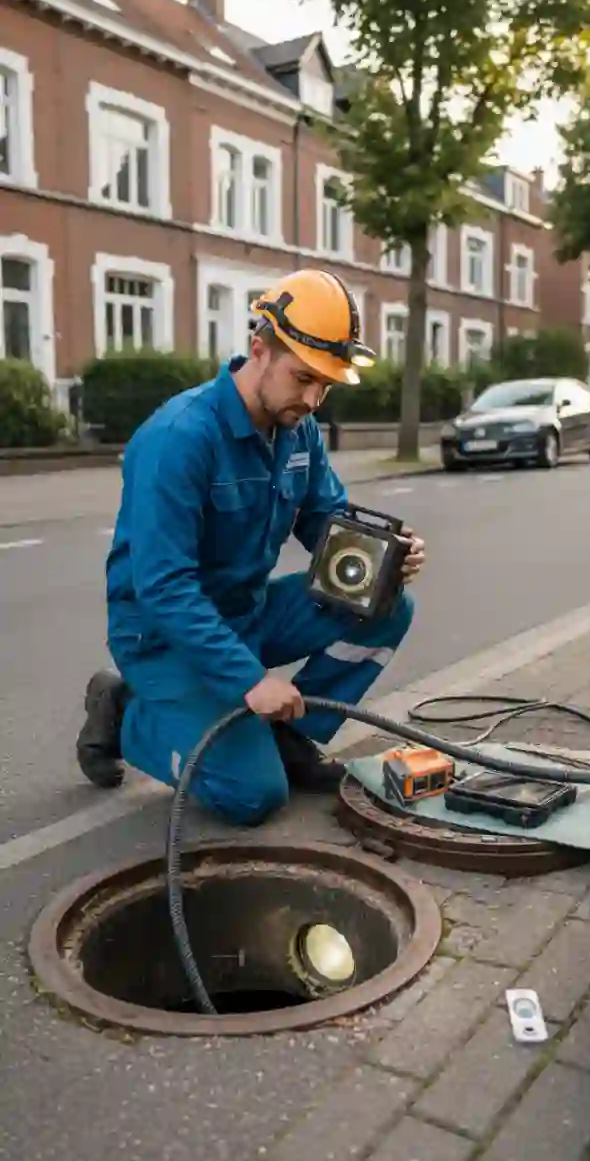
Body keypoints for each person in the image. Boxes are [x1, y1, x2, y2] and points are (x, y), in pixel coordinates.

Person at [76, 269, 425, 826]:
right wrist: (249, 681)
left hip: (246, 614)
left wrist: (381, 559)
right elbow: (164, 589)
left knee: (387, 606)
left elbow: (322, 521)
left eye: (326, 386)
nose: (314, 400)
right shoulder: (179, 439)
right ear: (258, 349)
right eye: (304, 379)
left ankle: (288, 738)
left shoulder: (297, 428)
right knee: (252, 796)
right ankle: (124, 714)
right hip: (164, 640)